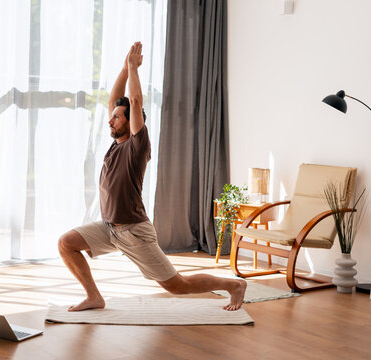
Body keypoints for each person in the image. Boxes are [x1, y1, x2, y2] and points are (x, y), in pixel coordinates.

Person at [58, 42, 246, 312]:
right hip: (110, 228)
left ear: (131, 122)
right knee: (66, 243)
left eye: (117, 118)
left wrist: (134, 70)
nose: (110, 121)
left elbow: (134, 101)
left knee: (177, 285)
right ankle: (94, 297)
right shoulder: (115, 142)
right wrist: (124, 68)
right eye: (111, 117)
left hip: (134, 231)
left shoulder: (137, 145)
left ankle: (233, 286)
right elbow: (117, 100)